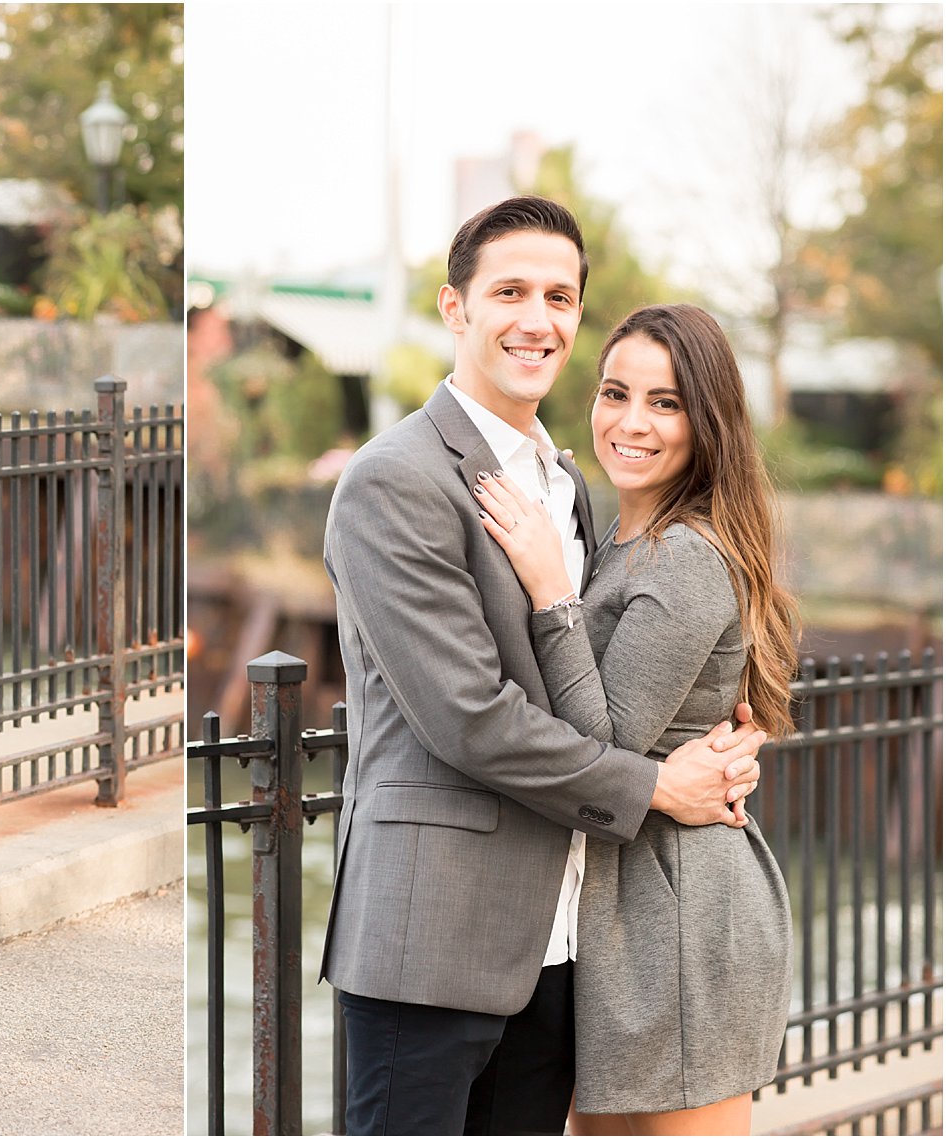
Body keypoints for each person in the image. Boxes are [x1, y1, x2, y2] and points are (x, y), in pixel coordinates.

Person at [319, 196, 767, 1135]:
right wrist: (656, 787)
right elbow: (471, 717)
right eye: (510, 290)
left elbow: (614, 681)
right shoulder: (396, 476)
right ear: (455, 308)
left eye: (559, 296)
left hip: (557, 950)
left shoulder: (571, 488)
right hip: (431, 939)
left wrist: (698, 757)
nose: (538, 318)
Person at [473, 303, 795, 1135]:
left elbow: (604, 741)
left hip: (682, 916)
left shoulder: (687, 553)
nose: (632, 421)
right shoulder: (619, 538)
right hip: (621, 913)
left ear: (707, 420)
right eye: (616, 392)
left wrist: (551, 590)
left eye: (666, 402)